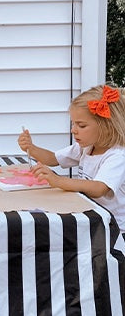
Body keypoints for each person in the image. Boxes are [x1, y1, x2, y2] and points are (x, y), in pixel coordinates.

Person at [18, 84, 125, 233]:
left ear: (106, 126)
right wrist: (31, 148)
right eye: (73, 123)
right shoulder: (86, 147)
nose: (73, 130)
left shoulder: (117, 156)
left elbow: (99, 188)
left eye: (81, 125)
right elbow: (53, 158)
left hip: (114, 229)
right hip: (92, 219)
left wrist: (59, 181)